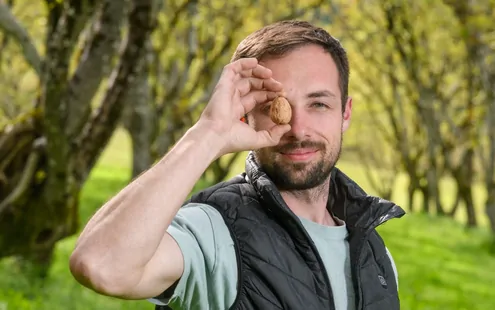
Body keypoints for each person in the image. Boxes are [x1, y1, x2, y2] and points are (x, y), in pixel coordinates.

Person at [69, 20, 405, 310]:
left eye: (318, 104)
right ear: (245, 114)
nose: (298, 129)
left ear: (345, 113)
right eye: (274, 105)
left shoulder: (375, 254)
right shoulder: (214, 233)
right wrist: (209, 133)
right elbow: (100, 265)